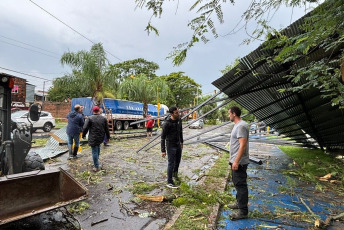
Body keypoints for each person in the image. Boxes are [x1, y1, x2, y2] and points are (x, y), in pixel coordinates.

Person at [227, 106, 250, 220]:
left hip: (239, 162)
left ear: (234, 114)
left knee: (241, 185)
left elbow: (243, 145)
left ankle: (243, 212)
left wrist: (236, 161)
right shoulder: (238, 125)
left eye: (229, 113)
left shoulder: (241, 126)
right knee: (237, 183)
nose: (229, 115)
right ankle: (239, 203)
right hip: (236, 161)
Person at [161, 106, 183, 189]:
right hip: (170, 145)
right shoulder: (167, 123)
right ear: (171, 114)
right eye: (176, 113)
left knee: (177, 161)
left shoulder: (179, 120)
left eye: (178, 112)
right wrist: (163, 150)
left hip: (178, 144)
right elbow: (163, 137)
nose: (178, 114)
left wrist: (182, 142)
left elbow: (180, 131)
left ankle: (175, 175)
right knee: (171, 163)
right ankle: (169, 181)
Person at [82, 106, 110, 172]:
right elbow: (107, 129)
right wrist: (108, 137)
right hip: (101, 137)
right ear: (99, 111)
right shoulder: (103, 118)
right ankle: (96, 163)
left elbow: (85, 128)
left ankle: (96, 166)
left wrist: (83, 135)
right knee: (97, 149)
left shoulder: (90, 118)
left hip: (93, 137)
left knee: (94, 151)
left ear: (93, 111)